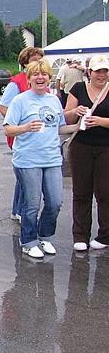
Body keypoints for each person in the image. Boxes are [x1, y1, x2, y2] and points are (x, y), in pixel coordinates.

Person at [3, 59, 65, 260]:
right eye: (35, 75)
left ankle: (45, 236)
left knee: (55, 202)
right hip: (28, 160)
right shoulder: (20, 100)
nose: (40, 78)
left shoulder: (54, 100)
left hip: (52, 158)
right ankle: (28, 241)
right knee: (31, 204)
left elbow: (60, 127)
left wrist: (82, 124)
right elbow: (8, 128)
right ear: (29, 79)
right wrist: (25, 128)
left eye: (44, 74)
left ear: (49, 78)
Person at [62, 54, 109, 251]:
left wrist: (101, 122)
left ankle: (106, 235)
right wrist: (76, 112)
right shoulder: (78, 89)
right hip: (81, 145)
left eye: (105, 71)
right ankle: (80, 235)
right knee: (81, 192)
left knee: (105, 192)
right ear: (89, 72)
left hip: (106, 147)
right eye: (98, 71)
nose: (102, 75)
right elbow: (65, 118)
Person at [0, 46, 45, 222]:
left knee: (24, 177)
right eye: (34, 60)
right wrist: (20, 125)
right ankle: (20, 210)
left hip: (37, 135)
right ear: (25, 62)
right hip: (21, 134)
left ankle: (18, 209)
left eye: (40, 60)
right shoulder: (16, 82)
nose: (38, 64)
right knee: (24, 174)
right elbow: (3, 107)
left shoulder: (40, 81)